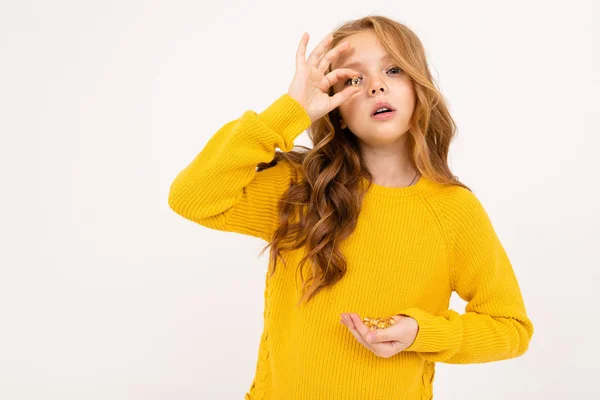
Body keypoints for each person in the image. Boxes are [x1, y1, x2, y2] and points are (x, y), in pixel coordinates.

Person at [168, 15, 534, 400]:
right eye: (354, 80)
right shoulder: (301, 189)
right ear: (336, 109)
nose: (376, 85)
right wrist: (289, 110)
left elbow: (510, 328)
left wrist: (420, 333)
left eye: (393, 69)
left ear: (417, 87)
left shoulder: (453, 209)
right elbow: (193, 197)